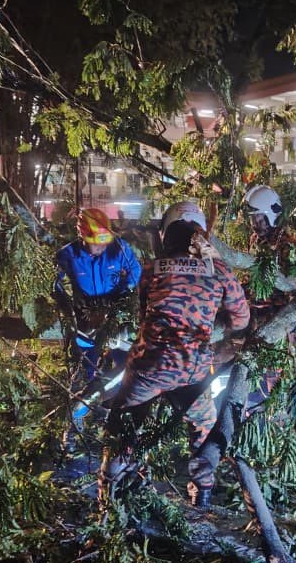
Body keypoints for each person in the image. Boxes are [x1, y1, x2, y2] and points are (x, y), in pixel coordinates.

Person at [99, 200, 250, 508]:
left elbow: (144, 315)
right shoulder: (218, 271)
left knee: (123, 427)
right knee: (204, 431)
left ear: (166, 233)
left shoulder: (152, 270)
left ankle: (109, 495)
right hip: (192, 373)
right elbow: (241, 319)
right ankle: (202, 494)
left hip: (147, 369)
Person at [53, 208, 142, 433]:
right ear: (83, 236)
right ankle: (79, 416)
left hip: (115, 317)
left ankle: (120, 411)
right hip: (84, 321)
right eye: (96, 243)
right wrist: (70, 312)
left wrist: (120, 300)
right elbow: (54, 284)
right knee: (86, 367)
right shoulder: (68, 255)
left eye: (104, 242)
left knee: (127, 364)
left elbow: (135, 271)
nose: (101, 247)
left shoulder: (118, 248)